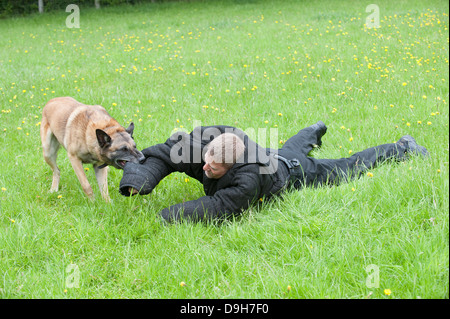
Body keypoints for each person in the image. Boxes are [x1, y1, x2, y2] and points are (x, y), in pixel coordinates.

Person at [119, 122, 428, 223]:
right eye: (206, 160)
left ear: (232, 166)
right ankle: (312, 131)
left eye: (214, 167)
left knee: (347, 167)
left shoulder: (248, 179)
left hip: (293, 173)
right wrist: (137, 181)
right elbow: (161, 153)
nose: (205, 167)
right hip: (275, 156)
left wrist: (166, 216)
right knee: (288, 149)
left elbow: (219, 208)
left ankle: (402, 147)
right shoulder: (208, 150)